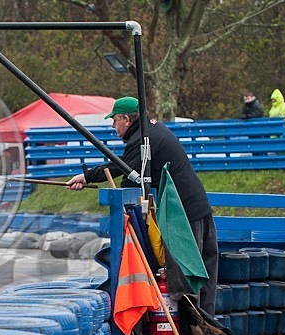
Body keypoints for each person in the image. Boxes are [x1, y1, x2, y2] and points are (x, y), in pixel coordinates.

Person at [66, 96, 217, 316]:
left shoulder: (142, 139)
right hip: (198, 206)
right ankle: (206, 325)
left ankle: (191, 329)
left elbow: (129, 175)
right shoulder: (151, 131)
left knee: (187, 274)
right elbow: (125, 165)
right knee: (205, 273)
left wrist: (97, 183)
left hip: (183, 214)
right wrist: (87, 176)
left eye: (115, 120)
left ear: (126, 119)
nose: (113, 125)